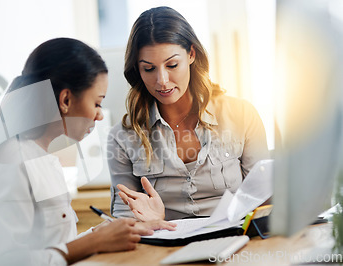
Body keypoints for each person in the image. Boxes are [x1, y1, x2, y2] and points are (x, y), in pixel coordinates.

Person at [0, 38, 175, 265]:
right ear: (66, 100)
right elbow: (3, 260)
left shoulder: (43, 158)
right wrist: (93, 242)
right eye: (97, 103)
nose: (100, 115)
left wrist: (116, 231)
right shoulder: (14, 162)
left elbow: (57, 244)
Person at [108, 6, 269, 221]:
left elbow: (263, 198)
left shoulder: (241, 114)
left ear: (191, 54)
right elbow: (124, 216)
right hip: (164, 246)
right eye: (149, 69)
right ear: (137, 69)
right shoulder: (123, 136)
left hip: (235, 240)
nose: (162, 80)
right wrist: (151, 222)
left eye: (172, 65)